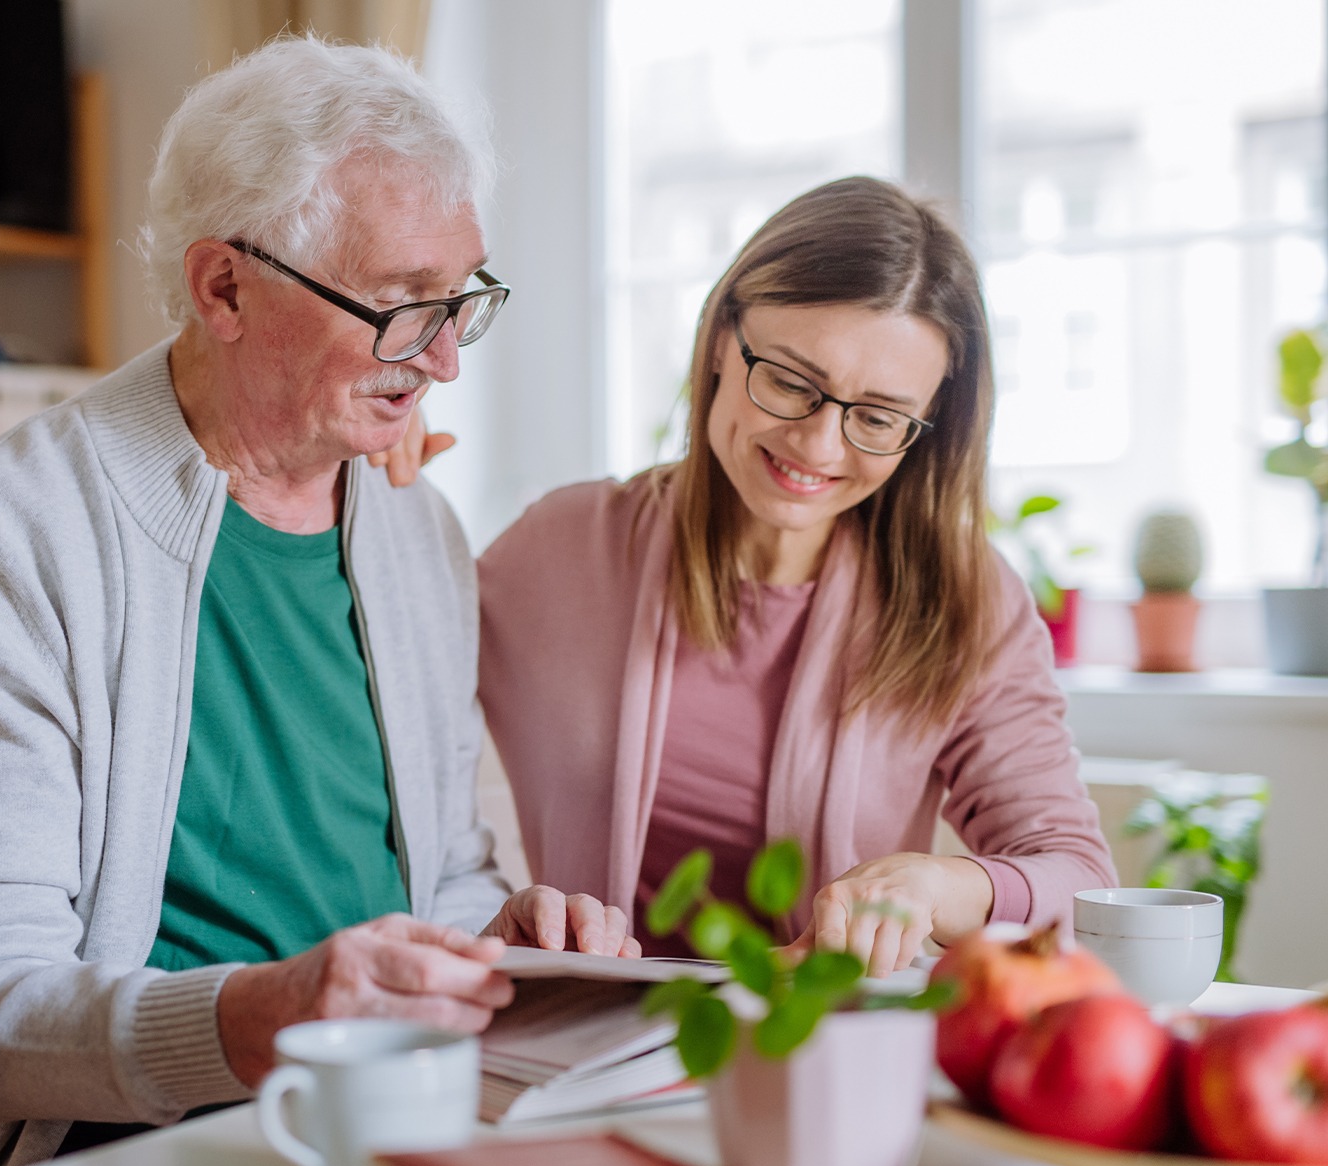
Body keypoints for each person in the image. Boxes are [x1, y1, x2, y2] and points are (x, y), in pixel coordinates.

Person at [0, 37, 635, 1166]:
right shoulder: (9, 535)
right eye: (401, 307)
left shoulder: (417, 537)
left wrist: (497, 940)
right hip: (98, 1161)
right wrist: (264, 1018)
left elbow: (437, 876)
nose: (445, 359)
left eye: (462, 300)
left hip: (355, 1135)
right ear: (225, 289)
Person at [476, 177, 1116, 980]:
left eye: (877, 417)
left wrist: (938, 883)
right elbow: (375, 700)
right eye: (788, 380)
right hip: (578, 1043)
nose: (818, 446)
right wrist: (369, 481)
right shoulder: (561, 549)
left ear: (925, 430)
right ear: (720, 339)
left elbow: (1081, 880)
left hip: (821, 1050)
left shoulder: (966, 601)